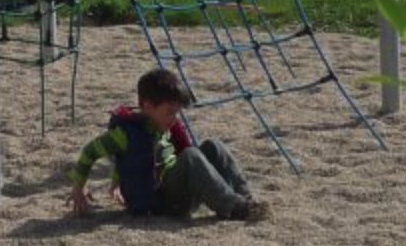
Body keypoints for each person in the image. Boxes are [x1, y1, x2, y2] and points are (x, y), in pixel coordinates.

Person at [67, 67, 267, 222]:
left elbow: (131, 159)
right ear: (147, 106)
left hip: (177, 194)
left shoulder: (162, 125)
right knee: (190, 155)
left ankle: (245, 200)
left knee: (213, 146)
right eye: (170, 111)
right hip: (155, 204)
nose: (174, 118)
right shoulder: (125, 133)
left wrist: (116, 181)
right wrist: (79, 188)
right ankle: (233, 207)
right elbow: (90, 152)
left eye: (177, 112)